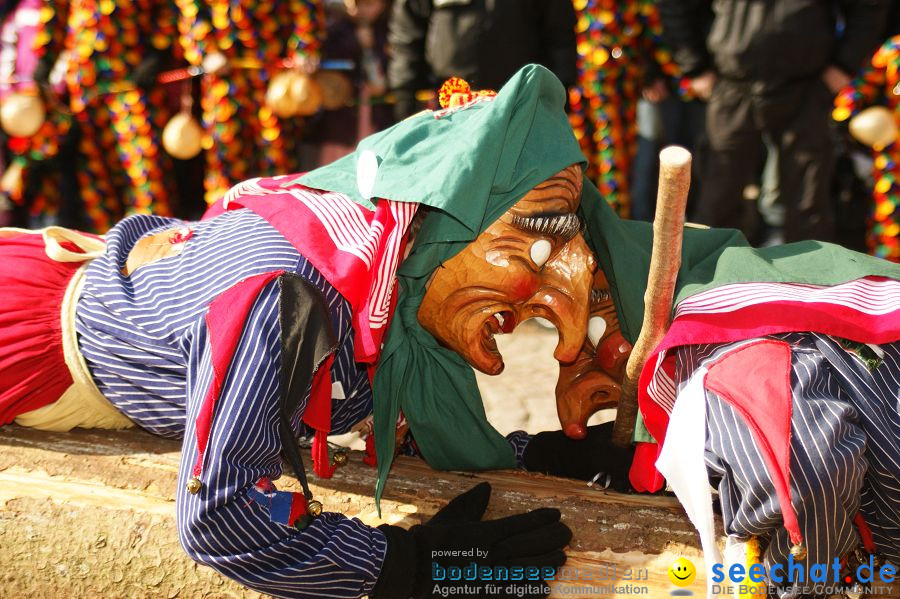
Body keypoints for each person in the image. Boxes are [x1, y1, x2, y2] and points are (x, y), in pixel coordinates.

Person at [0, 65, 622, 598]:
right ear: (449, 223)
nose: (559, 335)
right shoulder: (283, 303)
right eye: (533, 252)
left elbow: (406, 422)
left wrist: (544, 454)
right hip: (26, 339)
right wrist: (408, 568)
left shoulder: (397, 255)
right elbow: (220, 515)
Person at [548, 184, 899, 597]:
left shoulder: (741, 359)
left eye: (590, 344)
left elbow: (805, 484)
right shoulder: (795, 289)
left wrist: (805, 583)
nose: (568, 357)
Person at [658, 0, 889, 243]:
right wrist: (695, 67)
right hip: (731, 85)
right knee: (717, 195)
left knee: (808, 202)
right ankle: (707, 276)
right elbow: (675, 7)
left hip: (806, 88)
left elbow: (869, 7)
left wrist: (843, 66)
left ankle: (807, 278)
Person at [387, 0, 576, 120]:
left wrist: (559, 95)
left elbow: (559, 33)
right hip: (449, 112)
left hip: (521, 109)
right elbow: (407, 36)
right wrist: (405, 98)